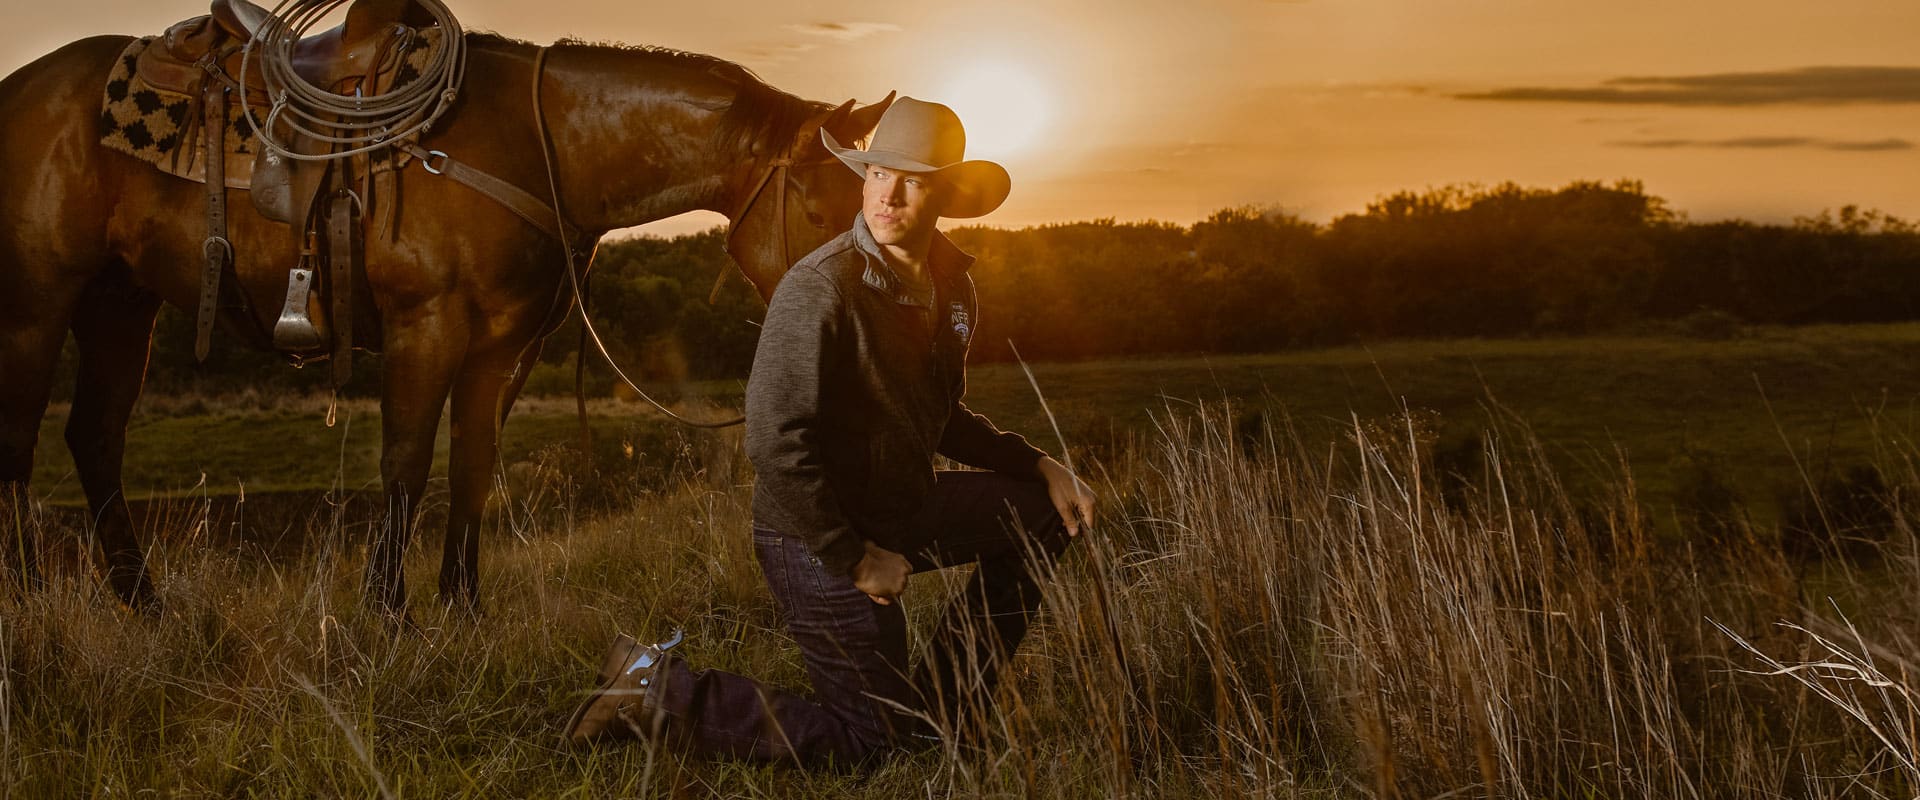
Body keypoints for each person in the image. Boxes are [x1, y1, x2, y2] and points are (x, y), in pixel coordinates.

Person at [562, 97, 1096, 766]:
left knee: (1040, 516)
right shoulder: (820, 288)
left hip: (902, 503)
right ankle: (654, 691)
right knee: (871, 746)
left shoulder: (951, 286)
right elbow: (775, 441)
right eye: (878, 174)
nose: (889, 195)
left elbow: (938, 413)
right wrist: (856, 559)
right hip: (815, 535)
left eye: (915, 180)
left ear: (948, 194)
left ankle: (943, 710)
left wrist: (1039, 463)